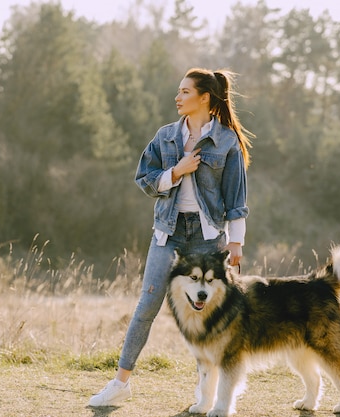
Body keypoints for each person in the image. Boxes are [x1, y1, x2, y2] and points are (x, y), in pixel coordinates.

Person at [88, 67, 253, 407]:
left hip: (207, 236)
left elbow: (237, 199)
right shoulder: (165, 137)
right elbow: (144, 179)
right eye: (178, 92)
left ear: (204, 98)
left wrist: (235, 242)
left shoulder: (226, 141)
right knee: (147, 304)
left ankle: (205, 389)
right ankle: (120, 383)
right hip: (169, 232)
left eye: (184, 92)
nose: (177, 98)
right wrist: (176, 171)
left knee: (205, 313)